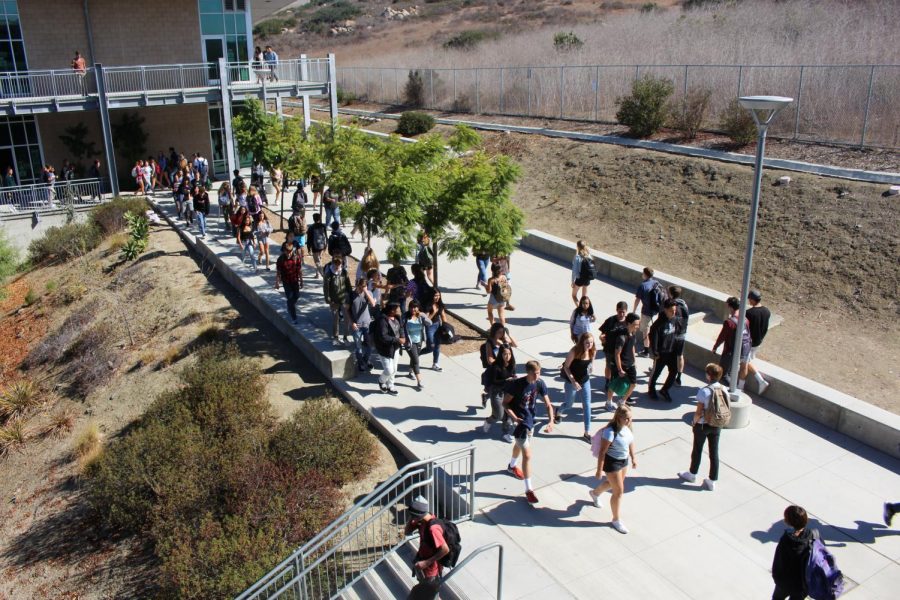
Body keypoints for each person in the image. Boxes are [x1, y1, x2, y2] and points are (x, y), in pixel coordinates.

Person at [503, 360, 554, 504]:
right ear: (528, 372)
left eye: (539, 372)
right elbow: (505, 403)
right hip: (521, 424)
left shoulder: (539, 383)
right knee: (527, 455)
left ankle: (512, 466)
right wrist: (513, 417)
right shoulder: (517, 385)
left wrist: (550, 421)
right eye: (535, 373)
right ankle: (529, 490)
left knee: (519, 446)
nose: (538, 375)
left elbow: (548, 404)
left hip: (531, 421)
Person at [588, 404, 637, 534]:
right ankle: (616, 520)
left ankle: (595, 493)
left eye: (630, 418)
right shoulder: (610, 432)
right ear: (619, 418)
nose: (629, 421)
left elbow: (630, 442)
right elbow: (603, 452)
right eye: (626, 418)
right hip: (612, 463)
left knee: (611, 483)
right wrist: (599, 470)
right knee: (619, 492)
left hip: (623, 460)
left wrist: (633, 457)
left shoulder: (627, 428)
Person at [678, 363, 725, 491]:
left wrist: (694, 422)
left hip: (703, 425)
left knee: (697, 449)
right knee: (714, 452)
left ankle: (692, 474)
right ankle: (712, 480)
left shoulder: (704, 391)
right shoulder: (723, 389)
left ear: (709, 376)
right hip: (717, 424)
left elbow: (698, 412)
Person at [555, 332, 597, 443]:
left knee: (587, 405)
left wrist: (591, 366)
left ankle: (587, 432)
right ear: (582, 342)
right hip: (571, 382)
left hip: (585, 381)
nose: (589, 345)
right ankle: (558, 411)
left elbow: (591, 361)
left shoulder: (593, 350)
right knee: (569, 404)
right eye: (587, 343)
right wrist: (573, 381)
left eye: (591, 342)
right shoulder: (574, 351)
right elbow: (566, 367)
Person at [771, 505, 819, 600]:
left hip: (785, 583)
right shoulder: (814, 535)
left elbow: (778, 562)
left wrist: (777, 579)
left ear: (787, 521)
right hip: (804, 583)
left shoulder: (786, 540)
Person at [404, 496, 449, 594]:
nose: (412, 518)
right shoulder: (421, 521)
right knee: (427, 591)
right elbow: (407, 532)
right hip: (424, 565)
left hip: (432, 570)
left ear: (419, 515)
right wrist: (412, 518)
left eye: (413, 515)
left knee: (430, 593)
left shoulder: (433, 528)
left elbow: (445, 549)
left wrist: (426, 562)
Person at [713, 296, 760, 390]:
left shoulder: (729, 322)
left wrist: (715, 347)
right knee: (730, 373)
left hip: (730, 352)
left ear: (730, 307)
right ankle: (734, 389)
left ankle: (733, 390)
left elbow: (722, 337)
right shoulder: (745, 319)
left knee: (723, 374)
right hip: (744, 350)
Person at [647, 299, 685, 402]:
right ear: (665, 310)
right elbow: (653, 337)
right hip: (661, 353)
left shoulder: (675, 319)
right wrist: (655, 352)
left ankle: (665, 390)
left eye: (675, 310)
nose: (674, 312)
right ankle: (651, 389)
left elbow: (677, 333)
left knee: (674, 371)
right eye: (671, 311)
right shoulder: (658, 324)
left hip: (671, 352)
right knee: (656, 373)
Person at [480, 344, 516, 440]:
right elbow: (493, 381)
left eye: (509, 354)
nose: (507, 356)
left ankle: (505, 433)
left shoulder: (512, 365)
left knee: (507, 415)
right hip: (497, 392)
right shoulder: (495, 366)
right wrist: (506, 380)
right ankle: (488, 421)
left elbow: (513, 375)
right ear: (501, 354)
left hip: (508, 392)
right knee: (498, 415)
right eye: (505, 354)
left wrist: (514, 379)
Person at [607, 313, 640, 410]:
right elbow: (617, 353)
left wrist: (634, 361)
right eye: (635, 324)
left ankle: (623, 401)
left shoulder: (633, 334)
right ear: (628, 323)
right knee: (613, 385)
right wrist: (620, 369)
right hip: (620, 365)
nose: (637, 326)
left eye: (638, 324)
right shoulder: (622, 337)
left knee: (633, 384)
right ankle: (608, 402)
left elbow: (632, 347)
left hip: (630, 364)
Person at [375, 303, 405, 395]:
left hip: (395, 348)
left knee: (394, 369)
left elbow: (401, 328)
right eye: (397, 309)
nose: (398, 310)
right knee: (389, 370)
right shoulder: (382, 320)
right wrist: (397, 339)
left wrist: (403, 336)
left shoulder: (397, 318)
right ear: (391, 310)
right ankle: (381, 381)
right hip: (385, 349)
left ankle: (391, 385)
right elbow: (383, 337)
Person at [632, 267, 663, 357]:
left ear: (645, 274)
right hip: (655, 310)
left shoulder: (643, 285)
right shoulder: (656, 282)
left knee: (645, 331)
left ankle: (646, 351)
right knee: (649, 328)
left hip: (646, 311)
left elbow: (637, 299)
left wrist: (634, 310)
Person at [599, 301, 628, 393]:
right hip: (610, 349)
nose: (621, 314)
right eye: (620, 311)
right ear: (616, 310)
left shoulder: (628, 322)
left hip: (622, 351)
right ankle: (608, 382)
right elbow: (603, 333)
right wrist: (601, 337)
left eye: (623, 312)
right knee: (609, 366)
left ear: (626, 311)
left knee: (621, 368)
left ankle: (618, 384)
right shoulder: (610, 320)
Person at [324, 253, 353, 345]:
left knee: (347, 318)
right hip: (334, 301)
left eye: (339, 264)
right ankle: (335, 337)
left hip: (344, 299)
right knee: (335, 319)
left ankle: (346, 336)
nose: (337, 266)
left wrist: (350, 298)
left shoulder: (344, 272)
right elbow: (326, 288)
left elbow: (348, 286)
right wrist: (328, 299)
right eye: (336, 264)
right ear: (333, 263)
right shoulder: (329, 274)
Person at [746, 289, 771, 394]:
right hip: (759, 341)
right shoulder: (767, 311)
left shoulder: (749, 313)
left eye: (749, 299)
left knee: (745, 361)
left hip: (749, 342)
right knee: (749, 359)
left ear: (752, 299)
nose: (748, 301)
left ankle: (761, 381)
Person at [403, 300, 431, 391]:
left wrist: (423, 317)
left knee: (414, 358)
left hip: (419, 341)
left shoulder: (421, 315)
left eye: (415, 307)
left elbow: (429, 323)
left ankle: (410, 372)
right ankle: (419, 382)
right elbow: (401, 328)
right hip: (409, 342)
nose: (413, 309)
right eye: (411, 307)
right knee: (416, 360)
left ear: (418, 308)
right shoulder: (405, 316)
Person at [350, 277, 376, 372]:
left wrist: (365, 291)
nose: (362, 289)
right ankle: (361, 363)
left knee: (369, 346)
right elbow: (347, 310)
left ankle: (365, 360)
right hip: (356, 325)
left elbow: (373, 304)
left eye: (364, 287)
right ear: (357, 285)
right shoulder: (351, 295)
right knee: (358, 346)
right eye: (361, 287)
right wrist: (352, 322)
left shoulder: (368, 293)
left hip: (367, 324)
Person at [274, 241, 303, 324]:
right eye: (287, 251)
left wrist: (301, 280)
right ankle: (294, 317)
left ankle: (289, 305)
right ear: (284, 251)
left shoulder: (296, 258)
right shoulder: (281, 259)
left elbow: (299, 270)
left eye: (290, 251)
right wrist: (277, 282)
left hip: (295, 280)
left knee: (297, 296)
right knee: (290, 298)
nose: (289, 253)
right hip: (286, 282)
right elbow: (278, 272)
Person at [669, 285, 690, 385]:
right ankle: (679, 377)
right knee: (680, 355)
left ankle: (670, 374)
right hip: (682, 333)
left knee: (669, 355)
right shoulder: (684, 304)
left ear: (671, 293)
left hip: (672, 334)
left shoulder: (671, 304)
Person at [424, 288, 445, 371]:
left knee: (437, 346)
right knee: (430, 347)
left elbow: (443, 316)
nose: (437, 297)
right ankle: (416, 354)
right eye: (436, 295)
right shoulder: (427, 305)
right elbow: (426, 320)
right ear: (431, 295)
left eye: (439, 295)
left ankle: (435, 363)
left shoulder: (440, 304)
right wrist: (433, 312)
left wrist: (446, 326)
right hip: (430, 327)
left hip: (437, 326)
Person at [484, 263, 509, 327]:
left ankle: (493, 328)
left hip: (493, 300)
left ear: (492, 270)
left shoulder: (491, 280)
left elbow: (489, 291)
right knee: (501, 316)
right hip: (501, 299)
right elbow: (506, 287)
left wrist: (485, 286)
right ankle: (503, 330)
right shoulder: (504, 277)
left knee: (489, 312)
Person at [571, 240, 593, 305]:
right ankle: (585, 308)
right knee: (584, 297)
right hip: (587, 278)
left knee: (574, 295)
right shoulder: (589, 255)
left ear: (577, 247)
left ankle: (580, 309)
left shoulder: (577, 257)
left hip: (579, 278)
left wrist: (572, 281)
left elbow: (574, 271)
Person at [307, 213, 328, 278]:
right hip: (322, 245)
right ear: (320, 218)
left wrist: (308, 248)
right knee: (319, 259)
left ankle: (323, 275)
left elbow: (309, 239)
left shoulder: (311, 227)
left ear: (313, 219)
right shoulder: (323, 226)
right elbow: (326, 236)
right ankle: (317, 274)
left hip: (314, 247)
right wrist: (325, 245)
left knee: (317, 262)